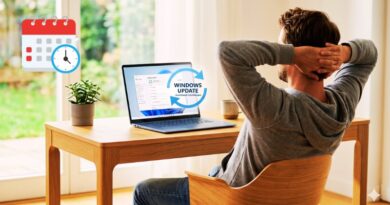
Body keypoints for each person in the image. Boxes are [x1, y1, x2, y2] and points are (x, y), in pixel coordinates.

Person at [133, 7, 377, 205]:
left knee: (144, 190)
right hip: (287, 199)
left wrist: (292, 54)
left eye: (285, 47)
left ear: (299, 54)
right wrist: (343, 53)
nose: (283, 54)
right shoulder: (342, 104)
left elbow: (228, 52)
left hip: (233, 197)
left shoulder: (273, 107)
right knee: (217, 168)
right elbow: (369, 54)